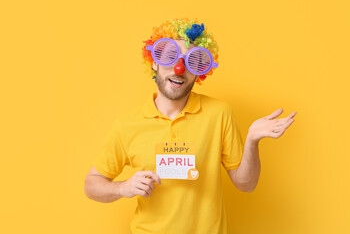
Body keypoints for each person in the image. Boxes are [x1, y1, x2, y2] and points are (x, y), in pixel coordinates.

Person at [84, 18, 297, 234]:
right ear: (154, 62)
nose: (179, 69)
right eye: (170, 57)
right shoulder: (127, 125)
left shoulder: (219, 114)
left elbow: (246, 184)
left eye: (191, 62)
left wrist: (252, 141)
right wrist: (123, 187)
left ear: (199, 72)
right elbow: (92, 184)